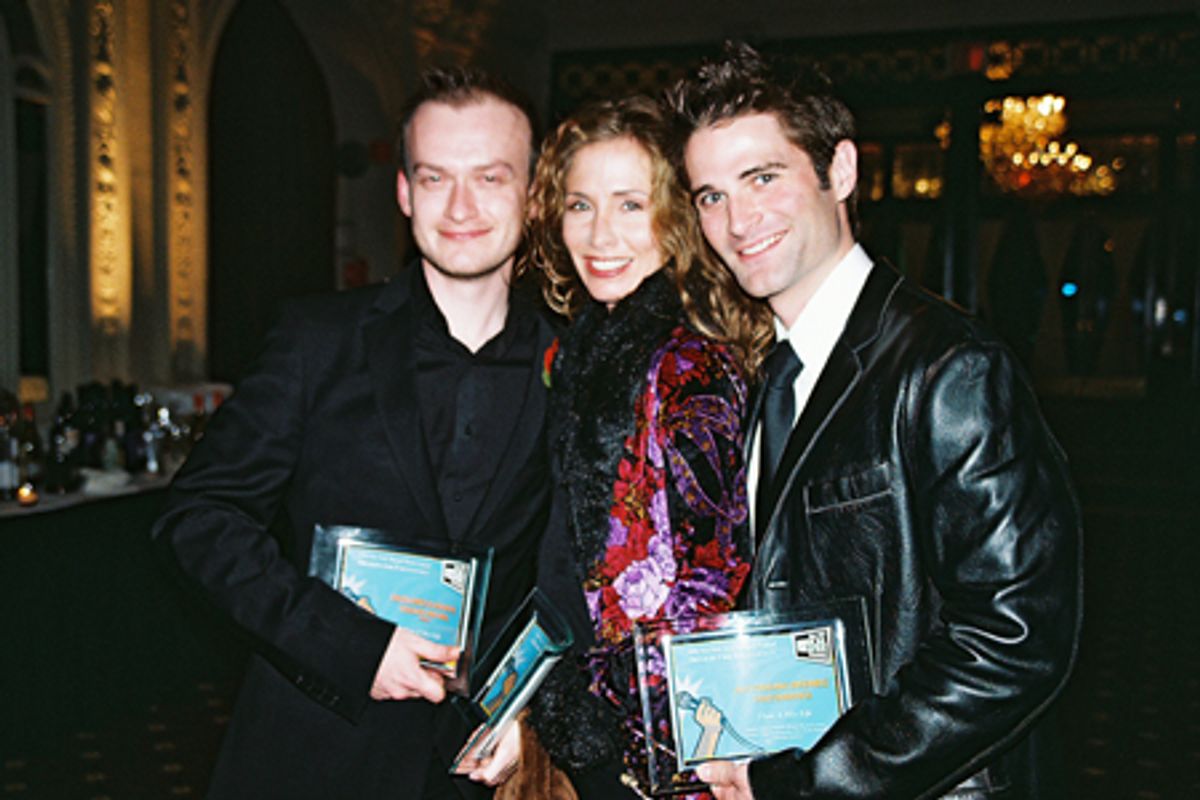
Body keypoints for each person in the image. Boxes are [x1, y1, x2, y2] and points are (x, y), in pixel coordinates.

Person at [668, 43, 1083, 800]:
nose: (736, 220)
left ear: (842, 172)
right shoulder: (770, 371)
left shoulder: (949, 366)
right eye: (710, 195)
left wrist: (819, 779)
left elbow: (1017, 636)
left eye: (763, 178)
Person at [152, 66, 557, 800]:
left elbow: (585, 578)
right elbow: (198, 518)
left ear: (532, 193)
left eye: (491, 178)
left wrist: (542, 718)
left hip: (482, 767)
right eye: (435, 178)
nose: (461, 205)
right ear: (403, 193)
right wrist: (352, 647)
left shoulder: (580, 362)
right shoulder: (318, 340)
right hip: (312, 753)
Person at [466, 95, 772, 798]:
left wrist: (569, 717)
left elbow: (709, 587)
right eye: (580, 205)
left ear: (677, 215)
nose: (601, 235)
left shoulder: (689, 364)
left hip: (656, 752)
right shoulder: (589, 349)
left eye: (631, 205)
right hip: (589, 721)